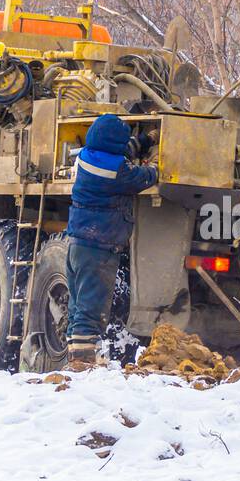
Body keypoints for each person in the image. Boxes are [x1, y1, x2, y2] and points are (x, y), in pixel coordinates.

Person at [66, 114, 158, 363]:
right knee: (91, 307)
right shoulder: (118, 171)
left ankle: (75, 357)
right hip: (99, 246)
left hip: (78, 243)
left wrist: (144, 141)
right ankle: (83, 363)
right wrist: (156, 167)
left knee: (77, 306)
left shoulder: (86, 155)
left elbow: (122, 152)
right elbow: (144, 177)